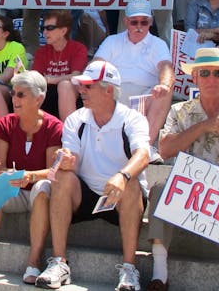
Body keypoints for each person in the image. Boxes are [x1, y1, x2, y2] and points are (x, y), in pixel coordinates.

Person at [36, 61, 149, 291]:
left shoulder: (132, 119)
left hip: (121, 196)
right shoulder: (75, 120)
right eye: (81, 85)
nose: (81, 90)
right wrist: (66, 160)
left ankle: (129, 268)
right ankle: (59, 263)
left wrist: (122, 176)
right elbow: (71, 158)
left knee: (133, 185)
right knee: (63, 179)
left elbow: (143, 154)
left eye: (88, 86)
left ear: (109, 90)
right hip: (85, 193)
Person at [147, 48, 219, 291]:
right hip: (190, 196)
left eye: (218, 73)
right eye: (204, 73)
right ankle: (159, 273)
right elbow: (164, 151)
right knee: (161, 188)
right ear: (194, 78)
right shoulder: (179, 111)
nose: (211, 79)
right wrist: (203, 126)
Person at [0, 71, 62, 281]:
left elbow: (52, 170)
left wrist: (29, 177)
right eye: (13, 93)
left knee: (43, 188)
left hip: (38, 190)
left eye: (21, 95)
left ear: (39, 98)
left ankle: (33, 261)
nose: (14, 99)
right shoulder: (5, 124)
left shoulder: (54, 126)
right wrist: (6, 174)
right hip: (13, 188)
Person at [93, 0, 175, 162]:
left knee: (165, 92)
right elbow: (96, 65)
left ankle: (144, 147)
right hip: (114, 93)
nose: (138, 27)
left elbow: (166, 67)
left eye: (143, 22)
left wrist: (164, 84)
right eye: (134, 22)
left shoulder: (158, 44)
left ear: (150, 22)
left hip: (146, 97)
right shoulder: (112, 41)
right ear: (126, 21)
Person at [31, 10, 87, 121]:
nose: (45, 32)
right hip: (48, 93)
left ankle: (70, 134)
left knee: (64, 85)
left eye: (50, 28)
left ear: (63, 31)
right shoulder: (41, 51)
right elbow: (37, 77)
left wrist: (52, 79)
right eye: (43, 28)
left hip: (72, 92)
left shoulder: (78, 48)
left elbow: (75, 75)